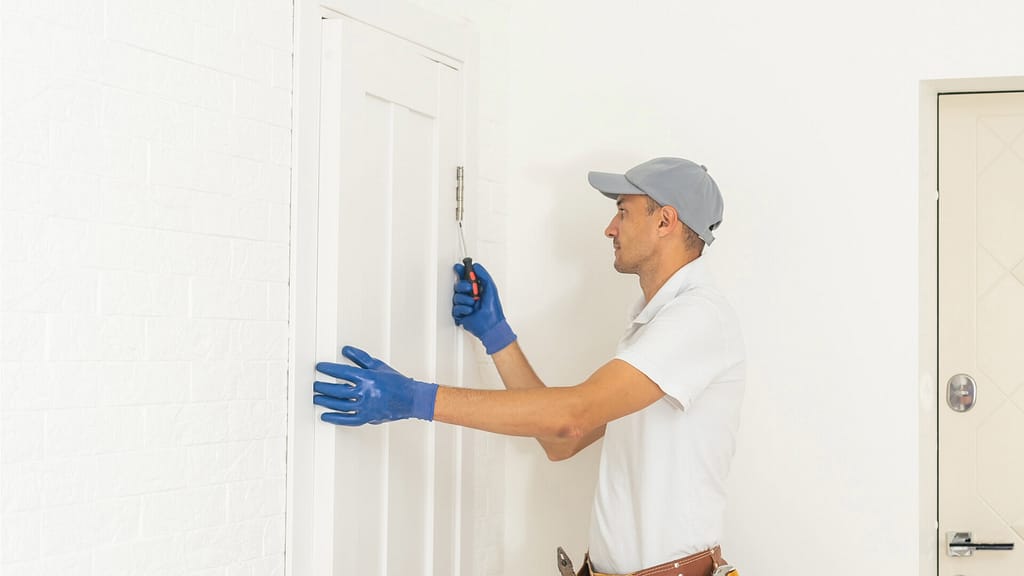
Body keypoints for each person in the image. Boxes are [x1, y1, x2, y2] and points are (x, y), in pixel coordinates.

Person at [313, 157, 746, 576]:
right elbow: (560, 441)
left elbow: (572, 417)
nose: (610, 228)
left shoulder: (697, 319)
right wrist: (496, 334)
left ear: (665, 221)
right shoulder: (654, 324)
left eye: (622, 211)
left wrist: (414, 398)